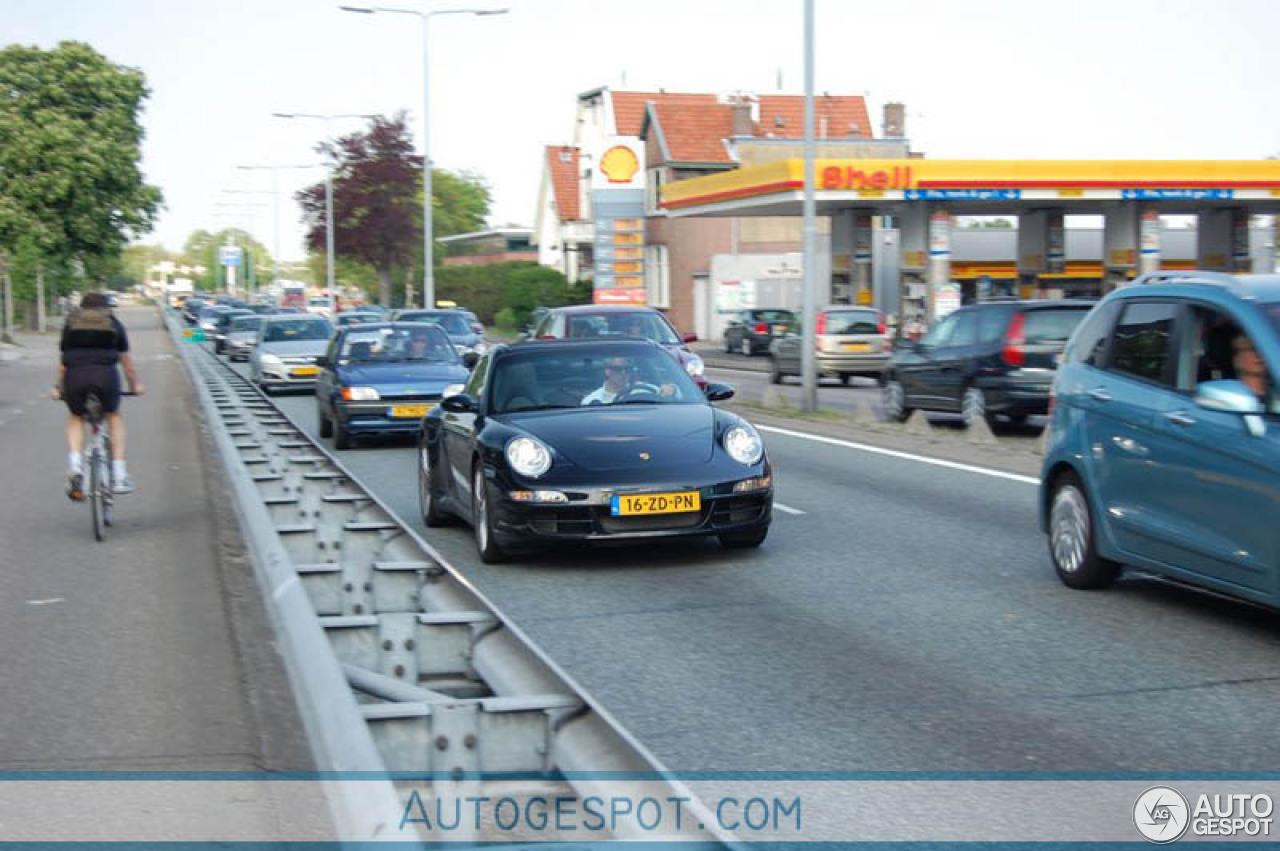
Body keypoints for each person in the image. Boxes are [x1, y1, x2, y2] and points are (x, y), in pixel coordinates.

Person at [53, 292, 144, 499]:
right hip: (106, 377)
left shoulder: (71, 323)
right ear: (106, 307)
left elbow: (64, 362)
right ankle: (120, 474)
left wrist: (57, 387)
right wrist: (135, 384)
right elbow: (126, 363)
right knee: (113, 416)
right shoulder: (113, 323)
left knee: (76, 417)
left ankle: (76, 466)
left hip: (75, 377)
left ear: (82, 307)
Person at [582, 355, 674, 405]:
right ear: (607, 371)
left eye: (627, 369)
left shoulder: (644, 389)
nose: (623, 373)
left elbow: (671, 395)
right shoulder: (592, 400)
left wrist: (673, 389)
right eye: (618, 369)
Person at [1231, 332, 1270, 401]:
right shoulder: (1232, 397)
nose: (1258, 354)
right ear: (1237, 359)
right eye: (1251, 349)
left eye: (1262, 348)